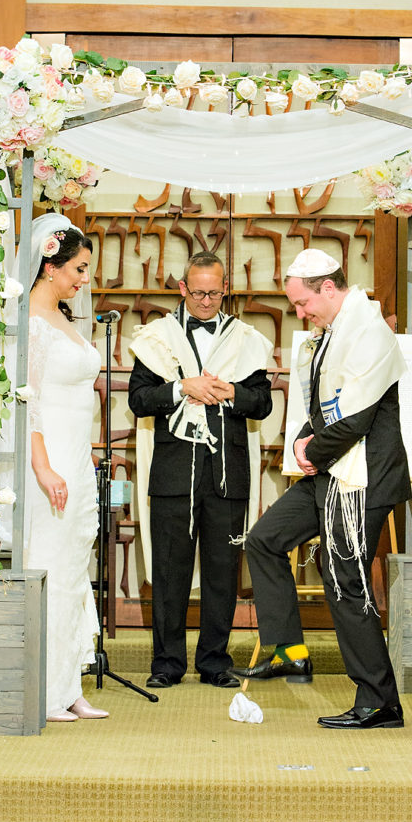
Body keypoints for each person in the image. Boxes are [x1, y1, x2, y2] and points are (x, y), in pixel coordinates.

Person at [229, 248, 411, 730]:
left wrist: (312, 450)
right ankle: (290, 650)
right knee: (265, 540)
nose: (300, 313)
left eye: (302, 303)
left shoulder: (369, 332)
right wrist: (304, 440)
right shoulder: (333, 332)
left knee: (345, 581)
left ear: (327, 288)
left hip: (363, 478)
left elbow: (356, 416)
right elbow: (322, 403)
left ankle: (379, 701)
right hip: (331, 470)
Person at [128, 251, 273, 689]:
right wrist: (180, 388)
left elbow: (262, 404)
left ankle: (214, 662)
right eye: (198, 293)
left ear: (225, 289)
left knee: (222, 572)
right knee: (169, 571)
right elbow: (139, 399)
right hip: (172, 471)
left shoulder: (246, 338)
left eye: (214, 292)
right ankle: (166, 664)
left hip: (227, 472)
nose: (206, 301)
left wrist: (231, 392)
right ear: (182, 289)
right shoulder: (157, 338)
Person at [23, 214, 109, 722]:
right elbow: (25, 403)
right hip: (49, 459)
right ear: (50, 266)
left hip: (77, 456)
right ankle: (46, 688)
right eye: (77, 269)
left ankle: (69, 682)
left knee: (75, 567)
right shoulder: (31, 323)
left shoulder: (65, 319)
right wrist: (43, 466)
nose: (83, 279)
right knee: (52, 566)